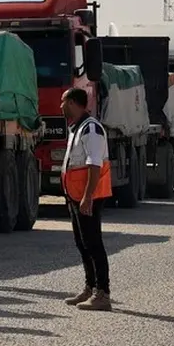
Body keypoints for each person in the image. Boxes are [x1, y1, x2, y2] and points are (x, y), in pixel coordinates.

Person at [60, 87, 113, 311]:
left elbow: (94, 164)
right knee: (82, 243)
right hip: (76, 195)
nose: (60, 106)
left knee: (93, 243)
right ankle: (89, 287)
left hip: (88, 195)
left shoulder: (91, 128)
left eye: (63, 101)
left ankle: (103, 293)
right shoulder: (77, 127)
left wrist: (88, 197)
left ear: (73, 102)